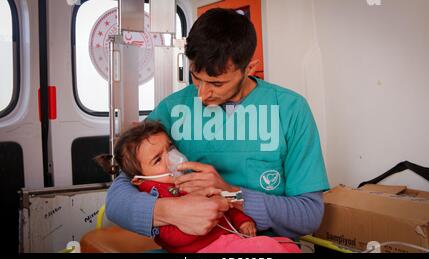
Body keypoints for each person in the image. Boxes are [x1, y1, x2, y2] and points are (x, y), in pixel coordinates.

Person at [106, 8, 329, 243]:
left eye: (216, 83)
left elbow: (308, 215)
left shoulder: (290, 109)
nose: (201, 95)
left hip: (264, 246)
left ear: (249, 69)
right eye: (196, 77)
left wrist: (231, 193)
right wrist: (171, 211)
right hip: (194, 248)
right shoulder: (172, 109)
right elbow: (117, 198)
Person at [96, 121, 300, 253]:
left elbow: (225, 200)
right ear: (139, 179)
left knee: (288, 246)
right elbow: (172, 239)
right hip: (200, 250)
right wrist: (201, 218)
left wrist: (243, 220)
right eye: (158, 159)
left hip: (229, 239)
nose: (172, 159)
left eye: (171, 148)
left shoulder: (191, 180)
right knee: (265, 248)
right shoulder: (155, 195)